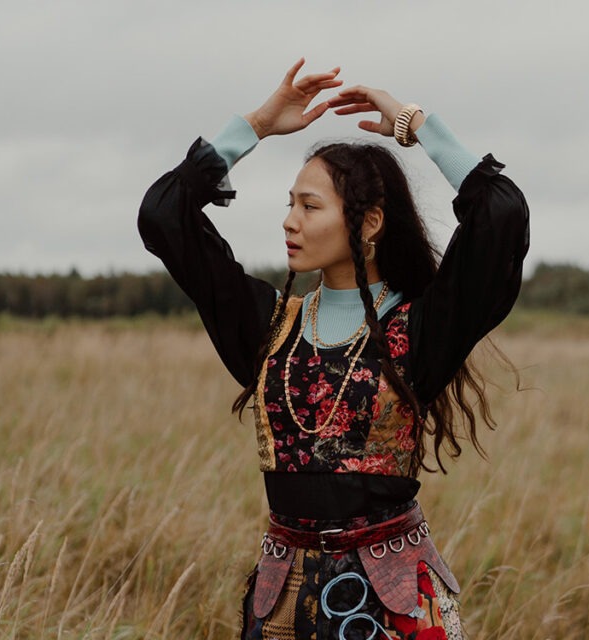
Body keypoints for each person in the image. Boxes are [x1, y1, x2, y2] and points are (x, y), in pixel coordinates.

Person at [138, 59, 529, 640]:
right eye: (290, 203)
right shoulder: (268, 326)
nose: (289, 222)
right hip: (281, 599)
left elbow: (500, 216)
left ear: (369, 223)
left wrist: (417, 125)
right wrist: (255, 127)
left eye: (310, 206)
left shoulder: (420, 330)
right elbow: (163, 216)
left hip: (391, 598)